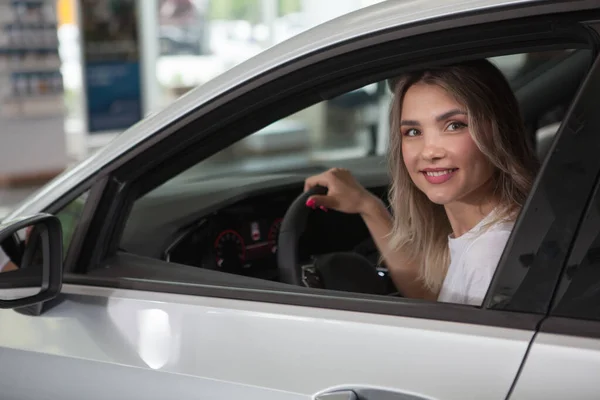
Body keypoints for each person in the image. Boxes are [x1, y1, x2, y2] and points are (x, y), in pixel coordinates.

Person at [304, 59, 539, 306]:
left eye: (454, 125)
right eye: (413, 132)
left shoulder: (489, 256)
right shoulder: (490, 233)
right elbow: (434, 301)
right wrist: (368, 206)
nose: (429, 152)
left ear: (499, 131)